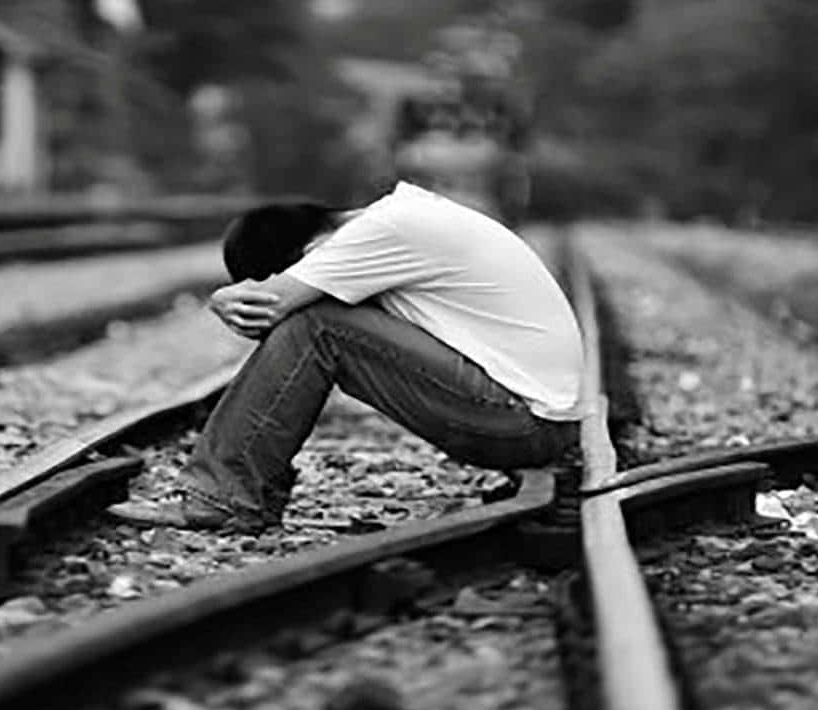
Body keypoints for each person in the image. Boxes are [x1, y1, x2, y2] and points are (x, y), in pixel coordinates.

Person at [107, 180, 586, 533]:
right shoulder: (406, 215)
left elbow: (270, 304)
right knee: (315, 321)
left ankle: (221, 495)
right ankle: (248, 487)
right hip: (532, 421)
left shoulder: (386, 229)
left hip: (520, 423)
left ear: (311, 250)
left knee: (316, 325)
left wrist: (222, 297)